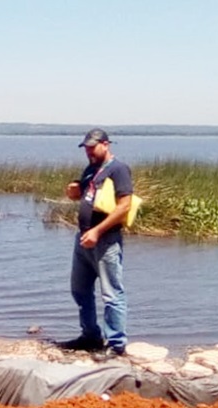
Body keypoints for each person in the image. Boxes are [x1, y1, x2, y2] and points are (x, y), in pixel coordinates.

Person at [57, 127, 133, 356]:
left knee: (111, 293)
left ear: (106, 144)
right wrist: (74, 192)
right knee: (80, 290)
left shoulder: (119, 170)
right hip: (83, 237)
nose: (89, 151)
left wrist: (98, 231)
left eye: (92, 147)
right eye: (86, 147)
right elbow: (87, 194)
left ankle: (116, 343)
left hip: (105, 240)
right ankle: (90, 336)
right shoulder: (91, 169)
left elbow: (125, 205)